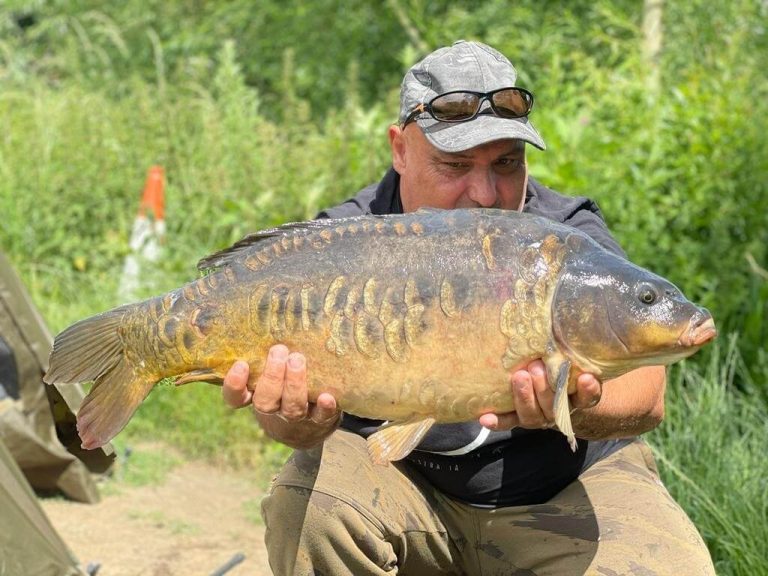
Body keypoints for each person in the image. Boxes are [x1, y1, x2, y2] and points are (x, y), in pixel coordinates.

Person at [223, 40, 715, 575]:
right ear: (400, 148)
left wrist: (571, 402)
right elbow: (291, 425)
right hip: (406, 486)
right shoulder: (341, 241)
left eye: (507, 162)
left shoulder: (563, 239)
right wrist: (294, 422)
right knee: (311, 504)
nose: (484, 192)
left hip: (563, 490)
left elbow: (647, 398)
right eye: (454, 163)